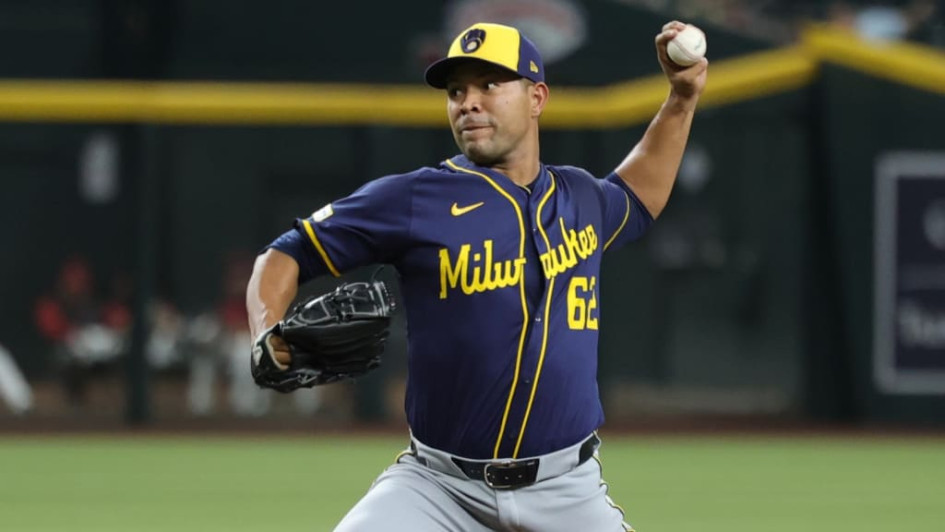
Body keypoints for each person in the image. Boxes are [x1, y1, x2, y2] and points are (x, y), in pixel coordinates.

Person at [247, 21, 707, 531]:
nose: (468, 102)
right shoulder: (415, 198)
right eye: (456, 91)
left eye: (489, 84)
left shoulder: (581, 198)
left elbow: (641, 190)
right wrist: (265, 328)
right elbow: (285, 254)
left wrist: (682, 98)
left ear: (536, 98)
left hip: (566, 490)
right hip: (437, 487)